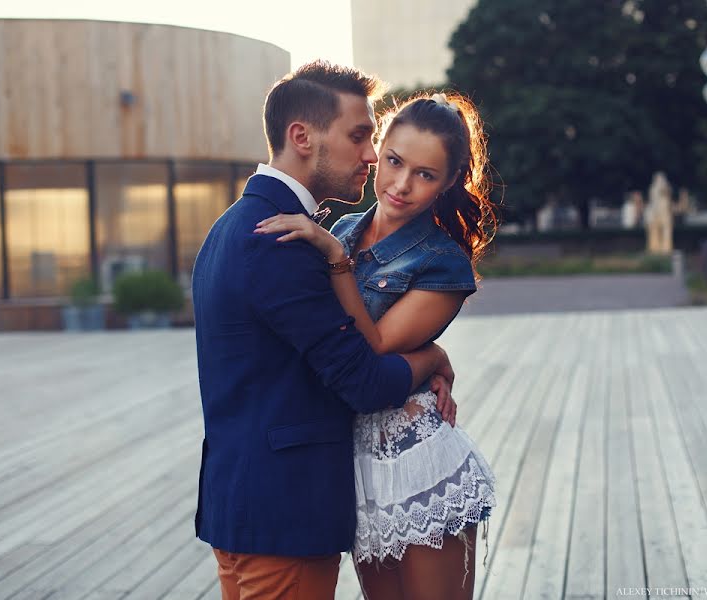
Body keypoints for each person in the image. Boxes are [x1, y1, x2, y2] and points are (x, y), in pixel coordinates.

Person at [191, 61, 459, 600]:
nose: (369, 154)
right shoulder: (285, 241)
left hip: (243, 507)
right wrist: (431, 359)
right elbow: (361, 380)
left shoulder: (232, 225)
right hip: (282, 518)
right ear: (302, 137)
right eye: (360, 136)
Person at [254, 91, 499, 599]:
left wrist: (333, 259)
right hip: (354, 464)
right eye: (394, 161)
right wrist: (434, 357)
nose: (402, 185)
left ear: (450, 182)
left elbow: (376, 346)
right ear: (379, 148)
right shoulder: (343, 228)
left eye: (426, 175)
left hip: (417, 459)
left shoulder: (442, 262)